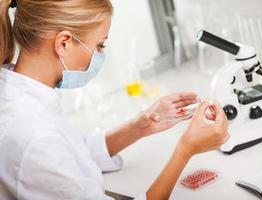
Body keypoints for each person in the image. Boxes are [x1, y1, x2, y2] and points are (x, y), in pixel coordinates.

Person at [0, 0, 229, 199]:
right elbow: (53, 153)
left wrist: (141, 125)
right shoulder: (34, 135)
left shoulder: (17, 92)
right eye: (100, 45)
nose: (100, 55)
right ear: (64, 43)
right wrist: (185, 150)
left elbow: (75, 152)